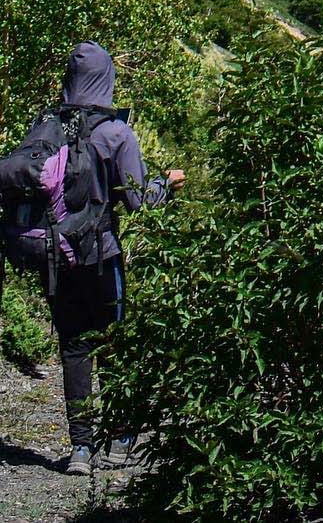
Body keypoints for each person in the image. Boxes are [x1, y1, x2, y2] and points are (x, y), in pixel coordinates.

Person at [46, 42, 184, 478]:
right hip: (102, 257)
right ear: (107, 79)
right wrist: (168, 183)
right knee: (116, 343)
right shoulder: (116, 133)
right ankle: (121, 441)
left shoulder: (47, 125)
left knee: (74, 347)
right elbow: (140, 200)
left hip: (56, 257)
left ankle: (81, 450)